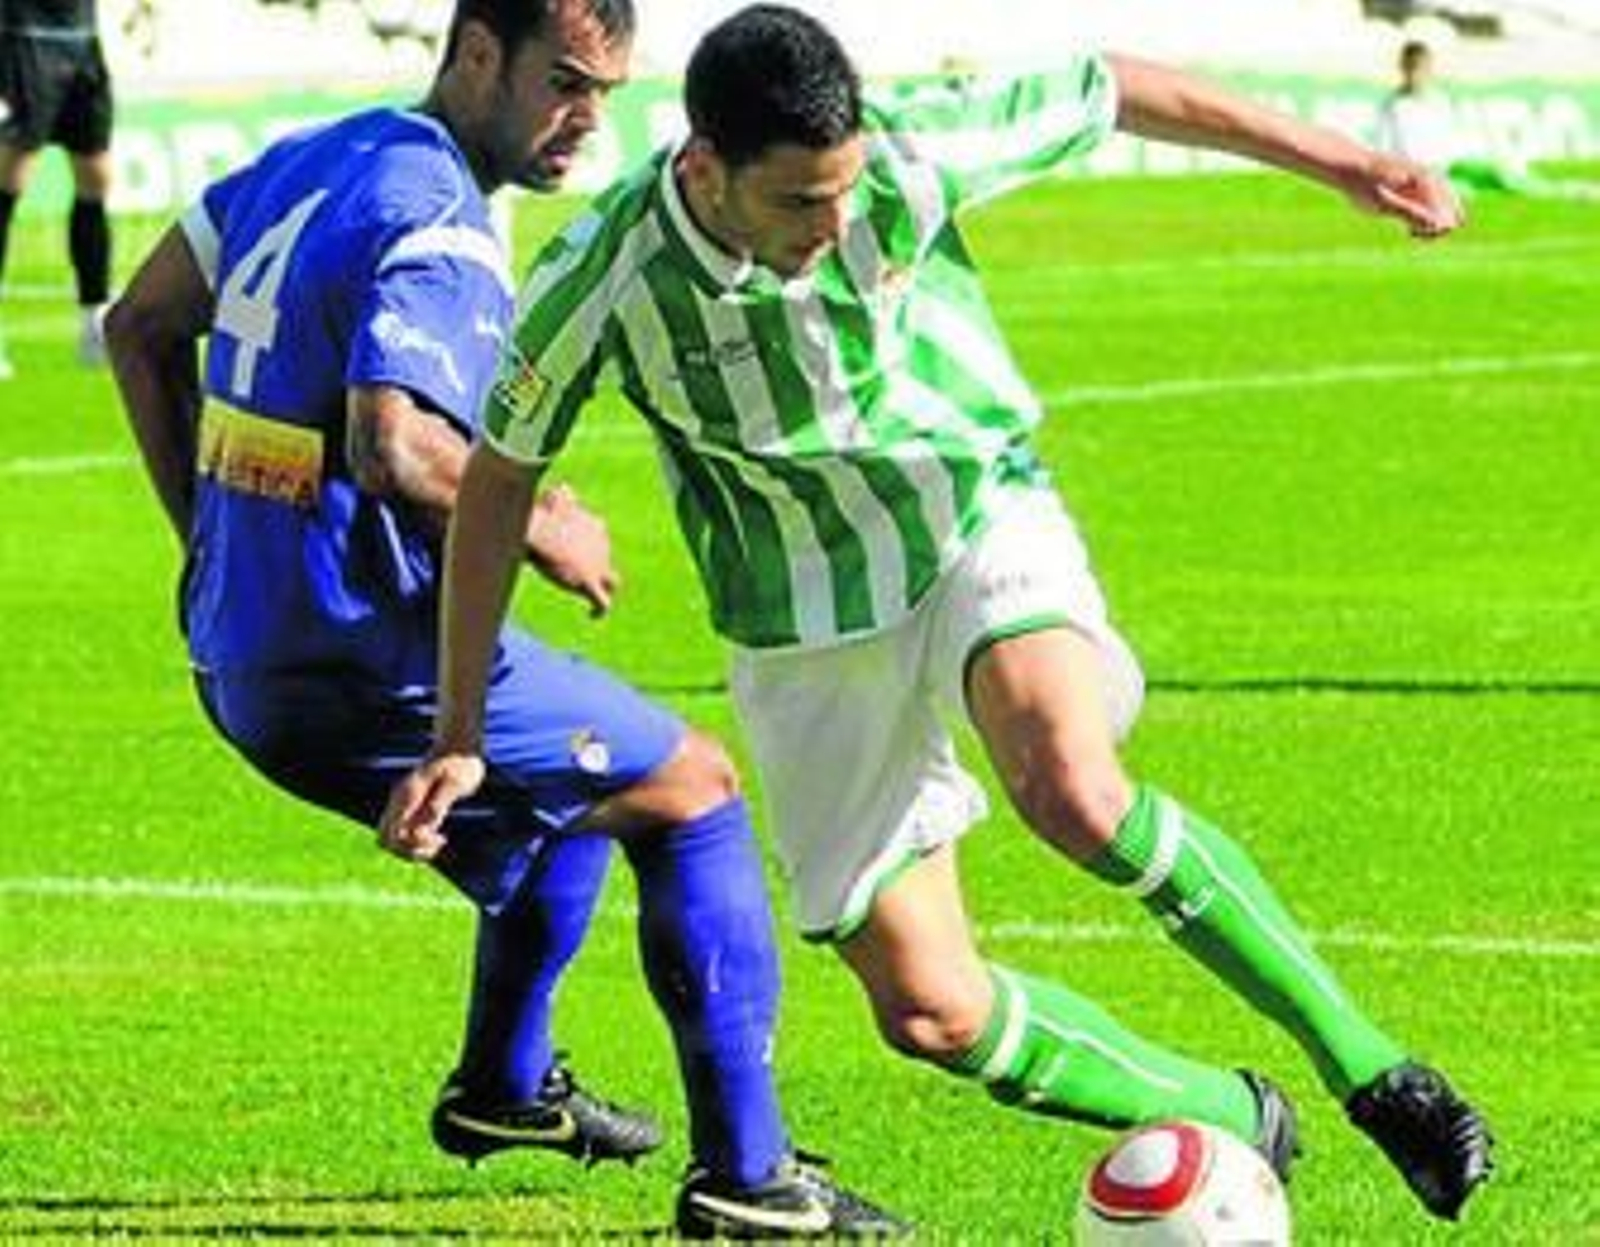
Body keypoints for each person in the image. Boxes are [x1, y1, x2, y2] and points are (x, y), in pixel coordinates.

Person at [384, 2, 1498, 1226]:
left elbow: (1109, 85)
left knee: (1070, 781)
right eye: (801, 203)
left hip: (972, 513)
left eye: (846, 191)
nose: (838, 222)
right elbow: (498, 483)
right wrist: (458, 727)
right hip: (801, 621)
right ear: (703, 167)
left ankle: (1374, 1070)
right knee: (931, 1010)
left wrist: (1346, 161)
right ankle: (1236, 1116)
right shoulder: (599, 274)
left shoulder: (905, 158)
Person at [103, 0, 904, 1238]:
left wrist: (208, 548)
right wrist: (545, 526)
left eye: (608, 92)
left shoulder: (322, 155)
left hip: (252, 643)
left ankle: (502, 1091)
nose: (588, 119)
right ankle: (751, 1180)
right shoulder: (437, 214)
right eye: (566, 83)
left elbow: (139, 326)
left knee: (580, 798)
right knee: (693, 788)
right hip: (354, 652)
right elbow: (399, 442)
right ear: (479, 52)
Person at [0, 0, 117, 376]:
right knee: (10, 174)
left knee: (96, 176)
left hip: (82, 39)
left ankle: (93, 324)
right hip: (25, 37)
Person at [1375, 39, 1600, 201]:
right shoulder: (1393, 106)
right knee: (1464, 194)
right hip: (1423, 174)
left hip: (1455, 165)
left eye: (1423, 68)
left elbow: (1458, 137)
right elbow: (1385, 149)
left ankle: (1576, 191)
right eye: (1412, 68)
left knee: (1502, 175)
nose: (1418, 74)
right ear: (1403, 69)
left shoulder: (1440, 100)